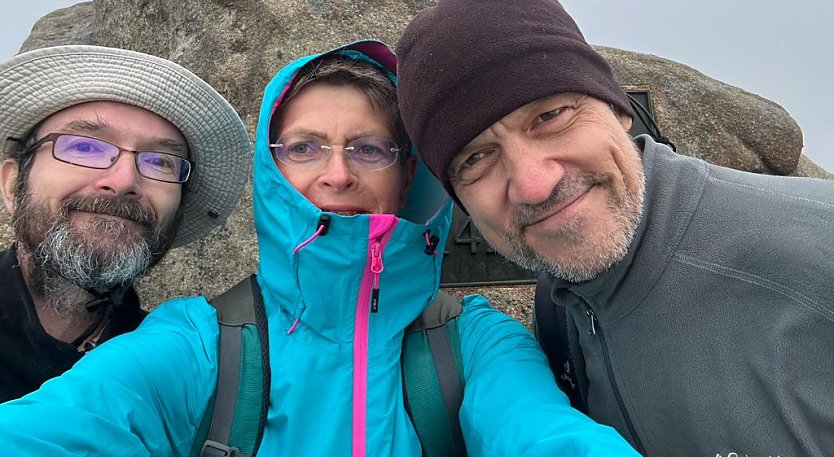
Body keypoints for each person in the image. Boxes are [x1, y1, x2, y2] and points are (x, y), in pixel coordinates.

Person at [0, 40, 639, 457]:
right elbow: (63, 427)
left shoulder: (476, 344)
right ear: (271, 172)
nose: (338, 174)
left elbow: (548, 438)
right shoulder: (198, 341)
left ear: (407, 175)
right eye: (303, 147)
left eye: (369, 147)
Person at [395, 0, 834, 457]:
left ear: (618, 108)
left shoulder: (819, 254)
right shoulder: (558, 304)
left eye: (550, 116)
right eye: (475, 159)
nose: (534, 183)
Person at [0, 44, 250, 403]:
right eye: (85, 148)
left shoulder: (186, 377)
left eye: (161, 162)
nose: (122, 181)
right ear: (12, 184)